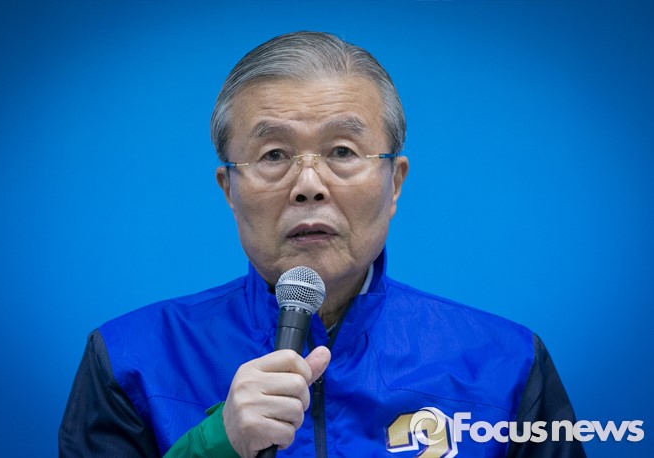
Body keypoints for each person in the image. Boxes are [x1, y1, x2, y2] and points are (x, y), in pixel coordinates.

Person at [59, 31, 586, 457]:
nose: (308, 184)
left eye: (342, 151)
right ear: (229, 190)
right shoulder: (131, 360)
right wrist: (216, 446)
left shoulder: (505, 364)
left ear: (395, 183)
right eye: (273, 155)